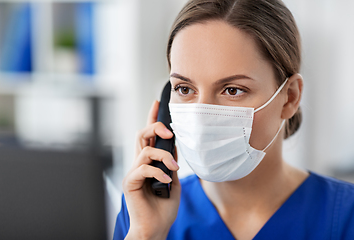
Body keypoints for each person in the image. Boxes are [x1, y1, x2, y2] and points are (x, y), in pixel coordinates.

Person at [114, 0, 354, 239]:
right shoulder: (141, 211)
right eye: (185, 89)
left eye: (232, 90)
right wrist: (146, 233)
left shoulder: (345, 215)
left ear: (290, 97)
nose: (202, 116)